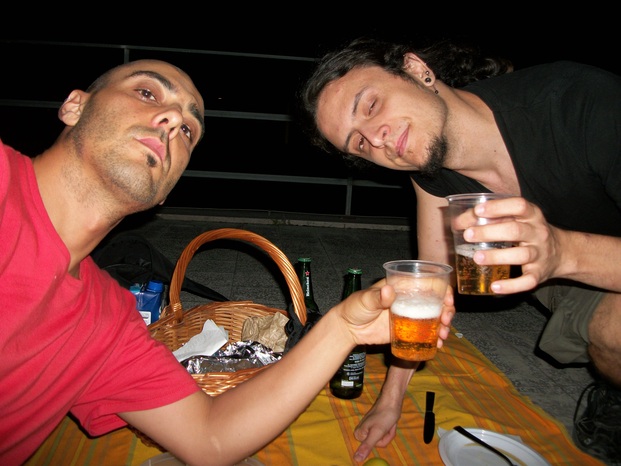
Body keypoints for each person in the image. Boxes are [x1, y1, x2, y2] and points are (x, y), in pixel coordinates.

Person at [0, 59, 398, 466]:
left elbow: (210, 438)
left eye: (189, 131)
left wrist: (343, 328)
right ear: (75, 106)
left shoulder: (104, 319)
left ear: (165, 191)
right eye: (147, 93)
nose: (174, 120)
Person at [300, 36, 621, 464]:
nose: (375, 140)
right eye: (357, 143)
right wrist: (391, 400)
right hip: (556, 267)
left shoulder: (581, 103)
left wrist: (564, 252)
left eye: (371, 105)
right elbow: (426, 291)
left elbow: (562, 251)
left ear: (416, 70)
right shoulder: (430, 175)